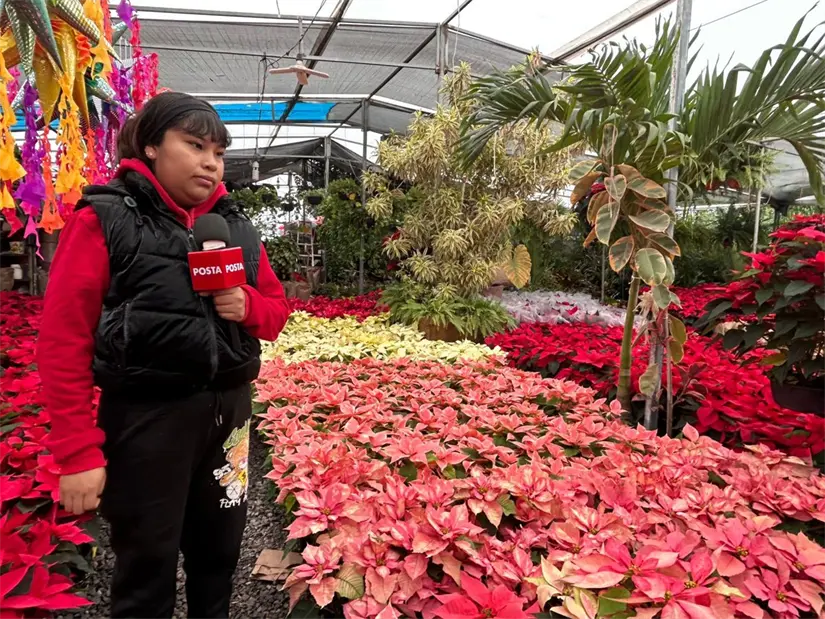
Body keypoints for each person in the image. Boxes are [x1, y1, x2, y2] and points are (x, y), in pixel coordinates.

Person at [37, 92, 292, 619]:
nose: (210, 162)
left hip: (230, 418)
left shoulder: (235, 228)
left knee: (218, 557)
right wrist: (78, 452)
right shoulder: (104, 219)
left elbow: (276, 312)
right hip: (146, 421)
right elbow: (64, 340)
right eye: (194, 145)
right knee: (145, 567)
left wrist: (246, 305)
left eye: (218, 152)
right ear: (151, 146)